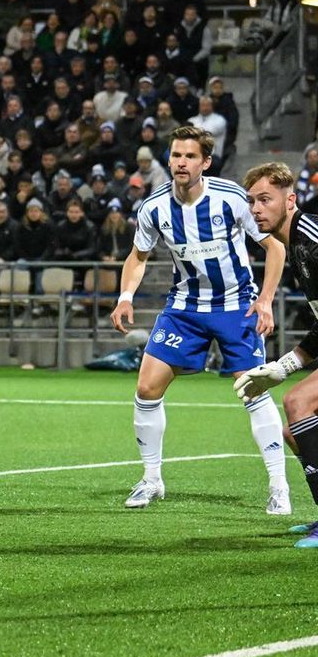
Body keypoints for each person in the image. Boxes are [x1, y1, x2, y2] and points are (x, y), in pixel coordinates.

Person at [110, 125, 288, 514]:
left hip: (235, 305)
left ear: (205, 162)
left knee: (252, 390)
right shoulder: (154, 207)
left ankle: (278, 485)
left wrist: (266, 300)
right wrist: (125, 297)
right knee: (146, 388)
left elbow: (274, 246)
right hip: (185, 308)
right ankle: (152, 479)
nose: (181, 162)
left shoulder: (231, 199)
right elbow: (137, 257)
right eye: (176, 155)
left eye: (190, 156)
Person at [237, 162, 318, 545]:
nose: (256, 209)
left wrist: (286, 366)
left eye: (265, 199)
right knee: (295, 431)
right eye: (252, 200)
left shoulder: (312, 240)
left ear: (290, 200)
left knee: (298, 402)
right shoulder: (293, 247)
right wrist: (284, 365)